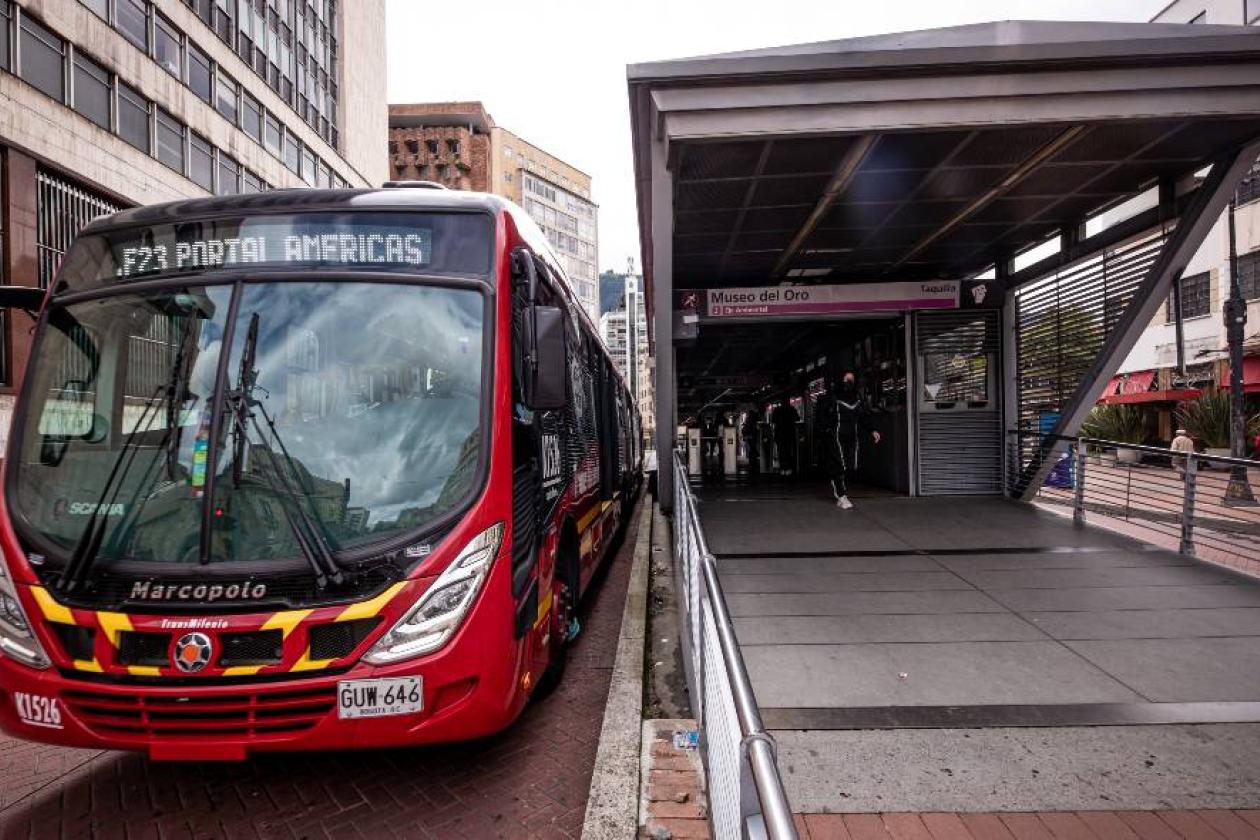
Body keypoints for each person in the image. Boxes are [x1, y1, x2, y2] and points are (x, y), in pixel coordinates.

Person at [817, 371, 881, 509]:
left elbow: (863, 416)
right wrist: (825, 430)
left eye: (851, 379)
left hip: (852, 437)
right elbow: (822, 415)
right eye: (846, 379)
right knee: (840, 465)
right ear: (840, 380)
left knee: (850, 466)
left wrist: (872, 430)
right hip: (836, 436)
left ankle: (836, 483)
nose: (848, 382)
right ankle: (842, 496)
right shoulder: (833, 397)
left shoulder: (857, 398)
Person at [770, 400, 800, 476]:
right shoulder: (792, 409)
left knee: (781, 452)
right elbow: (797, 418)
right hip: (789, 433)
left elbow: (773, 420)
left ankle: (782, 468)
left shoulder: (777, 410)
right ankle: (789, 468)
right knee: (789, 451)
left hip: (779, 434)